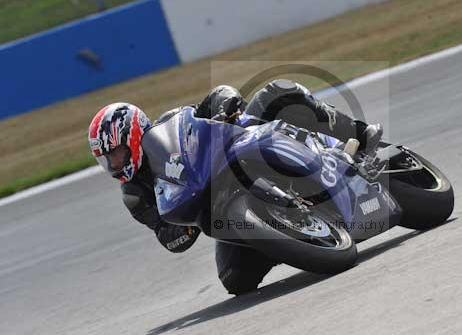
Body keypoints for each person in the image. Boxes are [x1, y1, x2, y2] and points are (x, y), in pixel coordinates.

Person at [88, 79, 382, 294]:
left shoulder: (172, 123)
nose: (114, 164)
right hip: (222, 210)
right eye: (106, 159)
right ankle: (289, 239)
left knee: (276, 92)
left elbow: (215, 97)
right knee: (235, 279)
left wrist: (225, 106)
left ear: (135, 135)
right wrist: (184, 228)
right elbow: (166, 237)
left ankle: (355, 136)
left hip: (245, 151)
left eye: (116, 153)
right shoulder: (135, 194)